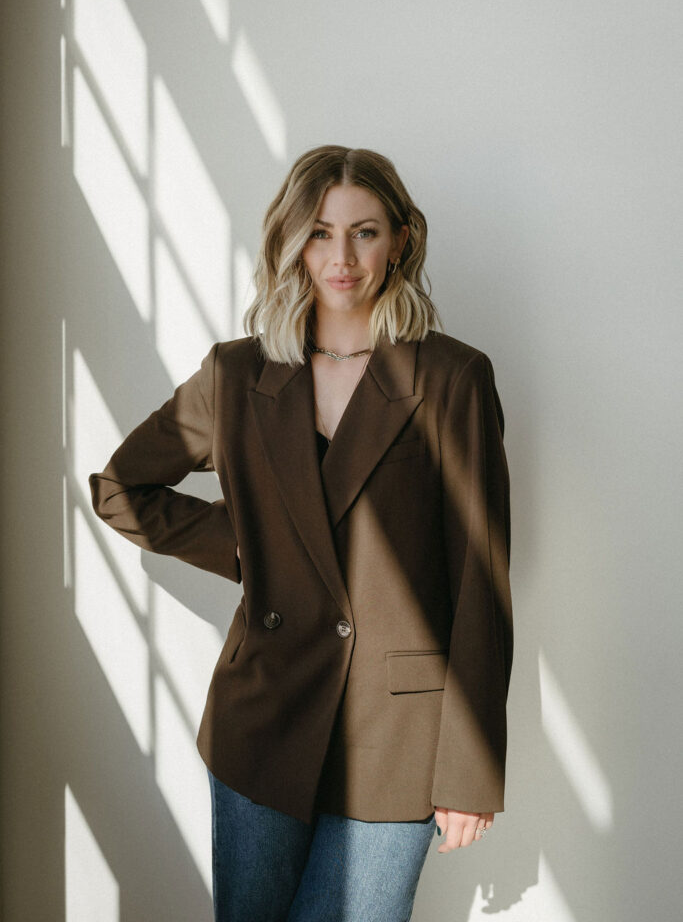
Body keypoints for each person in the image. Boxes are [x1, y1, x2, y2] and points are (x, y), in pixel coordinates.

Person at [89, 145, 514, 921]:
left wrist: (470, 770)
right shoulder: (235, 375)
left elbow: (479, 584)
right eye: (319, 232)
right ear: (291, 242)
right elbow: (121, 489)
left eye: (364, 231)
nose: (341, 256)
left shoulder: (451, 378)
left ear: (399, 241)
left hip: (396, 731)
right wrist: (249, 550)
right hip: (262, 718)